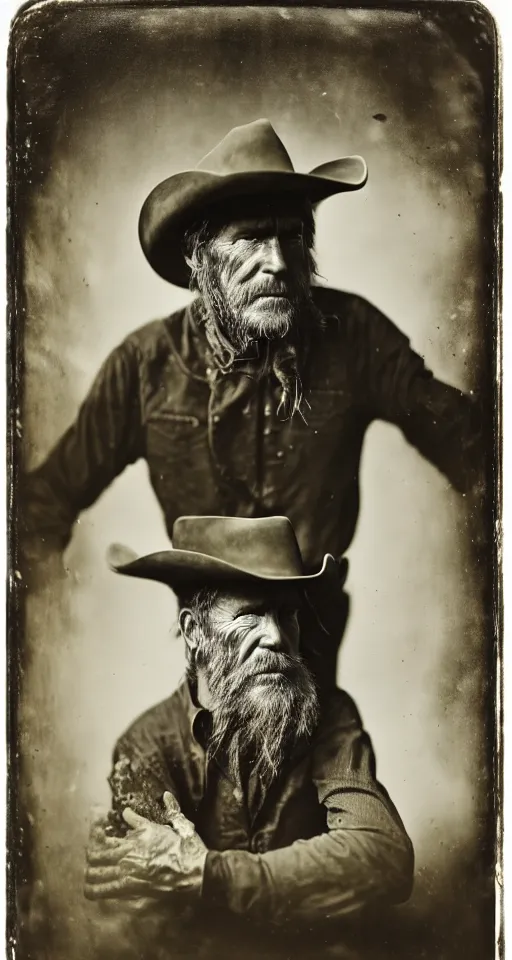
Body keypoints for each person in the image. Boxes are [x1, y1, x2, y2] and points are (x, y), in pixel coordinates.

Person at [22, 118, 482, 673]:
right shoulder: (145, 365)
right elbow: (42, 506)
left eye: (292, 236)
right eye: (250, 240)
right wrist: (30, 642)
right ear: (199, 258)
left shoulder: (354, 334)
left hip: (314, 641)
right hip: (213, 647)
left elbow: (474, 446)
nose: (280, 264)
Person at [84, 515, 414, 960]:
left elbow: (385, 856)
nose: (277, 636)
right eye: (250, 615)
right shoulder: (146, 746)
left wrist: (209, 874)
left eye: (287, 614)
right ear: (194, 633)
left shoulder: (330, 716)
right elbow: (150, 916)